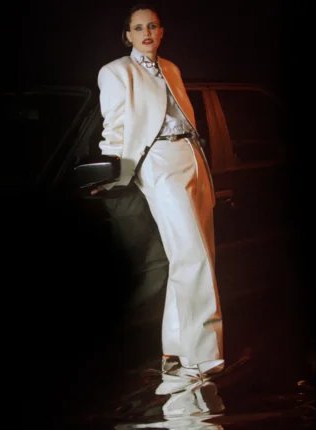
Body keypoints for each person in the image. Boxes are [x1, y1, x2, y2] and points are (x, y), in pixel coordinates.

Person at [94, 4, 224, 397]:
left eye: (152, 26)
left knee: (199, 254)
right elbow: (115, 126)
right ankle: (202, 356)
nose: (146, 32)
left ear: (161, 31)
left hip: (192, 156)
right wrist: (111, 171)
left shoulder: (172, 68)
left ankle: (175, 349)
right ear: (127, 35)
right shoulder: (115, 71)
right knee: (191, 256)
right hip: (158, 159)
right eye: (138, 27)